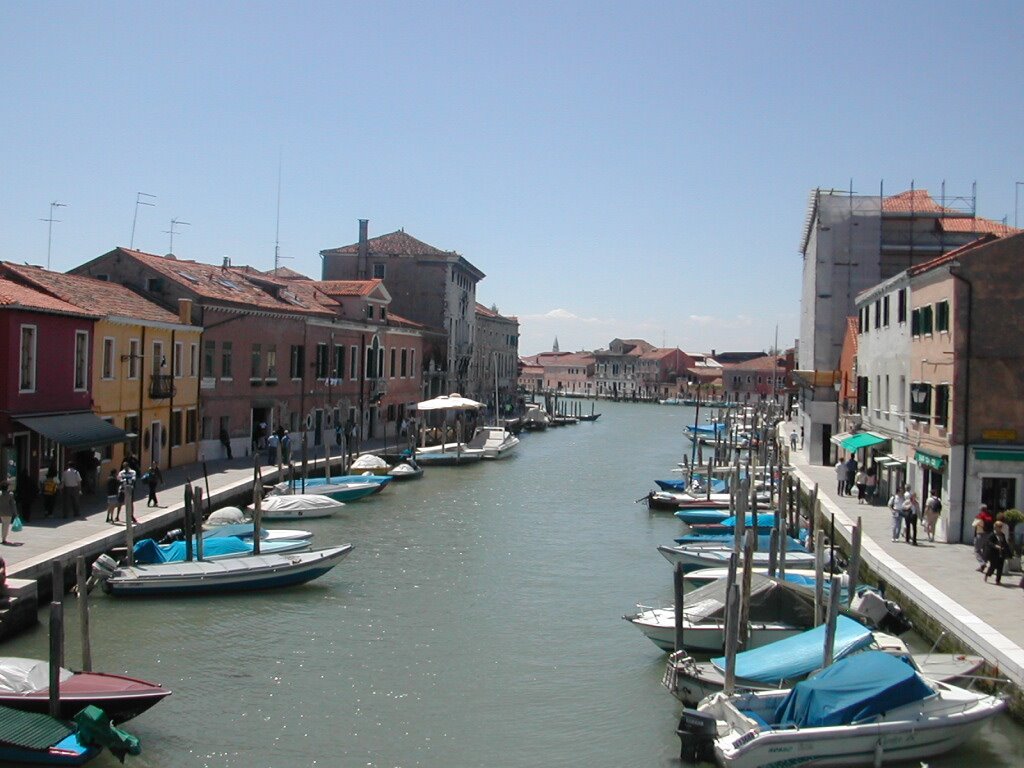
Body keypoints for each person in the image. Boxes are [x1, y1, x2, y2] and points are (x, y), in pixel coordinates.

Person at [975, 505, 995, 571]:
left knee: (977, 550)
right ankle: (982, 566)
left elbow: (974, 524)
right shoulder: (990, 514)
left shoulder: (980, 515)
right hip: (989, 534)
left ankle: (982, 563)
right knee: (985, 550)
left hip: (981, 534)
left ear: (981, 509)